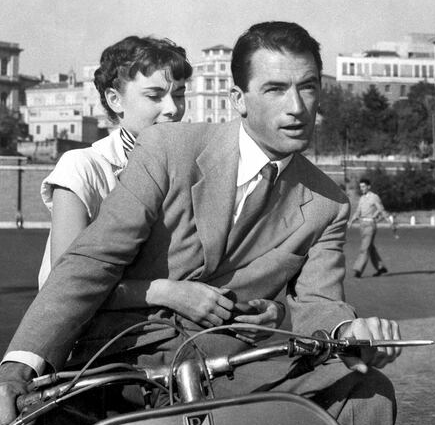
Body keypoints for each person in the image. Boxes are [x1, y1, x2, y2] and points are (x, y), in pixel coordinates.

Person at [0, 21, 402, 425]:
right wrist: (15, 372)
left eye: (308, 88)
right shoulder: (169, 148)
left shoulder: (328, 202)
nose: (296, 107)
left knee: (366, 393)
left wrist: (347, 328)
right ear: (239, 100)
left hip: (237, 367)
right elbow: (90, 263)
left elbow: (319, 300)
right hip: (124, 359)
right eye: (275, 89)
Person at [37, 36, 275, 332]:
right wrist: (168, 293)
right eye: (154, 96)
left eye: (179, 95)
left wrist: (259, 306)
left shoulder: (195, 165)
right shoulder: (83, 166)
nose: (173, 109)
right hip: (87, 346)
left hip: (169, 340)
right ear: (115, 100)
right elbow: (64, 285)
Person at [348, 178, 390, 278]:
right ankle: (380, 267)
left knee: (364, 248)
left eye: (363, 186)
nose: (361, 188)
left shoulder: (374, 197)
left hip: (370, 226)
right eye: (360, 187)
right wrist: (352, 220)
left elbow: (381, 209)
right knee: (370, 248)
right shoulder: (362, 198)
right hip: (362, 225)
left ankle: (358, 270)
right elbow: (358, 211)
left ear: (368, 186)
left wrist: (387, 219)